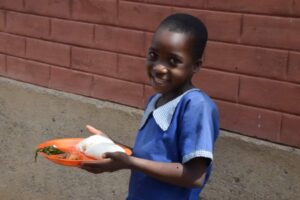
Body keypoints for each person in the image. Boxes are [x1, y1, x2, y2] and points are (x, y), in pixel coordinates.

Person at [81, 13, 219, 200]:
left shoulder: (195, 105)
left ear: (196, 65)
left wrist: (129, 162)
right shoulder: (156, 100)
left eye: (173, 61)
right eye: (153, 55)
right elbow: (151, 157)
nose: (159, 68)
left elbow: (194, 176)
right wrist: (110, 146)